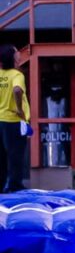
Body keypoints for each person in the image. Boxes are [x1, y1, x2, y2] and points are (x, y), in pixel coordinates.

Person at [0, 45, 30, 193]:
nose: (19, 53)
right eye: (17, 51)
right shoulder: (16, 75)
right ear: (13, 57)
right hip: (12, 120)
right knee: (15, 154)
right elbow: (17, 89)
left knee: (1, 156)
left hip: (0, 119)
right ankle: (15, 185)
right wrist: (19, 108)